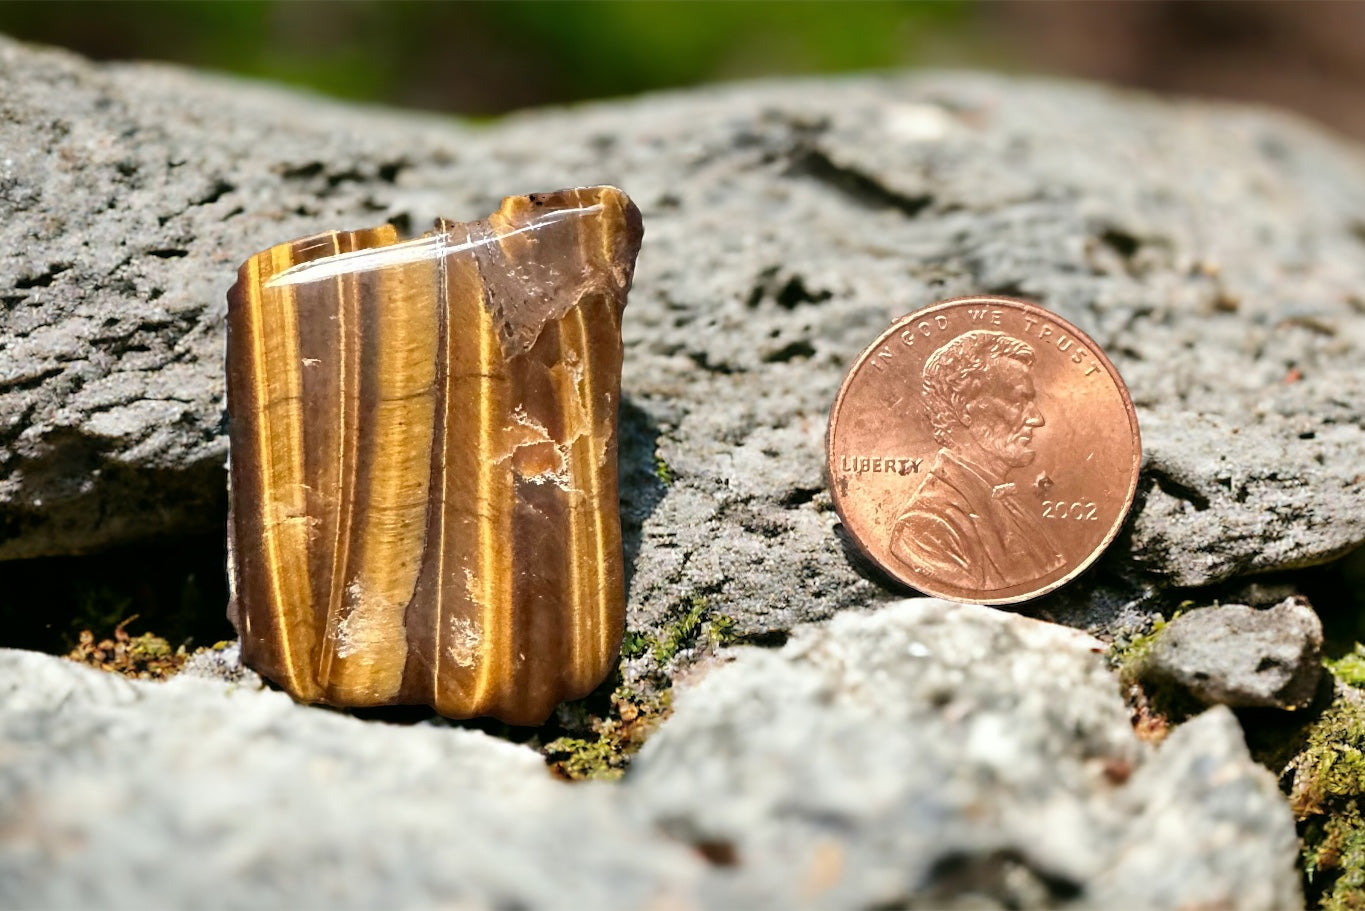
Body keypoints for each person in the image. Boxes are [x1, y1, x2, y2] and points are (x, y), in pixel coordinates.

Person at [890, 330, 1065, 592]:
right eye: (1019, 401)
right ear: (964, 409)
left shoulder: (1006, 502)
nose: (1036, 418)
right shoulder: (926, 527)